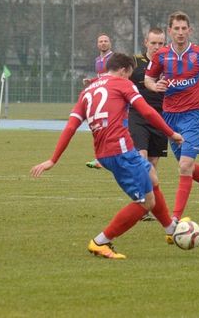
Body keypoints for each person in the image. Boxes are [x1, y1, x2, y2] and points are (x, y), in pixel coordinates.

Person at [31, 53, 184, 259]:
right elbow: (147, 112)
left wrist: (53, 159)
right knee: (146, 203)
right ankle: (100, 241)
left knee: (152, 177)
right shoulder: (123, 83)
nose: (129, 79)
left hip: (105, 152)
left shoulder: (87, 91)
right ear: (123, 70)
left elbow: (71, 127)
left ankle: (170, 229)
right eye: (129, 74)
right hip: (120, 151)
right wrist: (171, 133)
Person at [145, 11, 199, 221]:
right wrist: (155, 86)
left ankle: (175, 219)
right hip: (170, 117)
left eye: (183, 28)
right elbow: (148, 79)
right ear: (169, 31)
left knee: (185, 166)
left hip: (194, 115)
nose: (180, 32)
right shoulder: (161, 55)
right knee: (186, 164)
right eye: (176, 28)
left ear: (190, 30)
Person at [129, 27, 167, 221]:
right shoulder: (134, 62)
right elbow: (116, 78)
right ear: (146, 43)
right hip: (138, 117)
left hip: (160, 118)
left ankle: (149, 204)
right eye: (153, 43)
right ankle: (141, 201)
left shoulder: (169, 63)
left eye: (161, 43)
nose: (157, 47)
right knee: (141, 159)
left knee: (152, 163)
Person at [83, 33, 113, 169]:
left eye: (105, 41)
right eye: (101, 41)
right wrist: (92, 81)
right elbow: (102, 78)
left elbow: (112, 76)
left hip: (112, 97)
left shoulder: (113, 58)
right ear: (97, 44)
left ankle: (106, 157)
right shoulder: (97, 60)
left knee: (109, 128)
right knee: (100, 127)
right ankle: (101, 158)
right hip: (102, 98)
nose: (103, 43)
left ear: (110, 43)